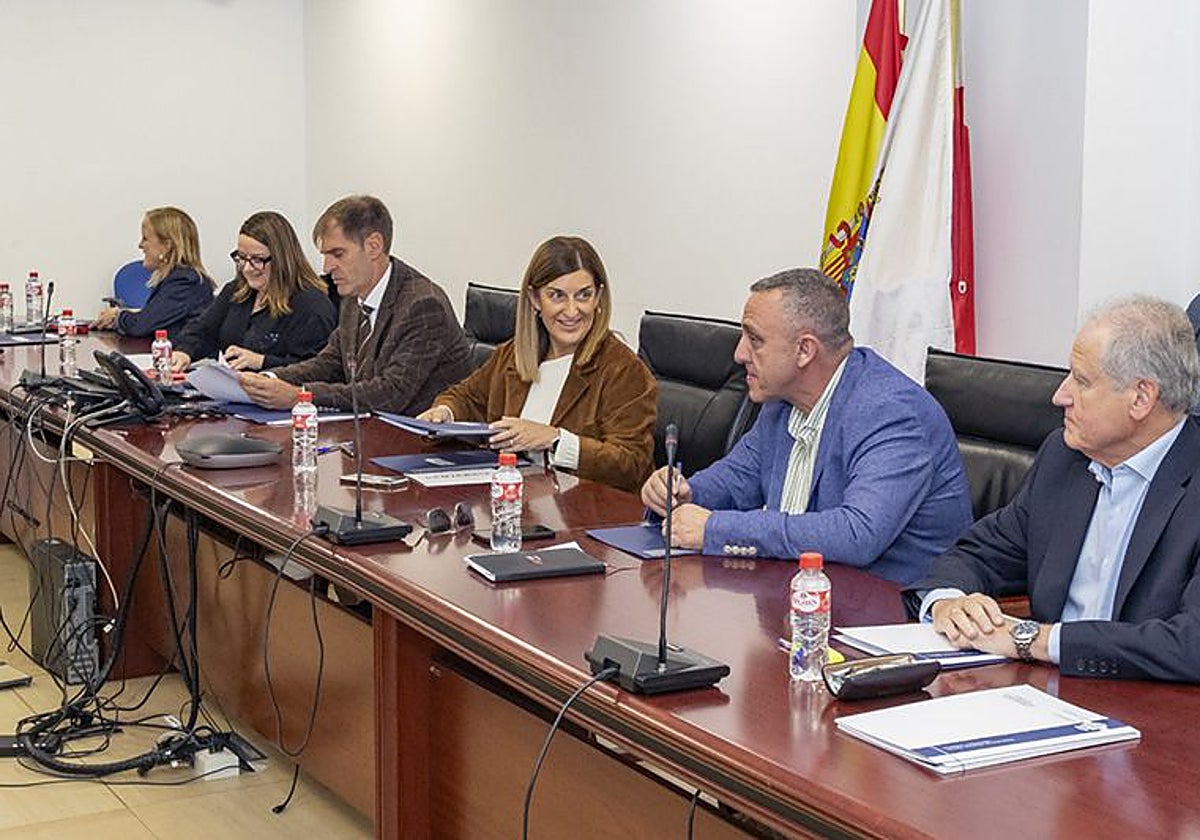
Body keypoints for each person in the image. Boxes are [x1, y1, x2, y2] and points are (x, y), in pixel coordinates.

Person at [908, 296, 1200, 683]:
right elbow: (979, 553)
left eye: (1081, 381)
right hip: (1046, 695)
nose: (1059, 396)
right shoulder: (1064, 459)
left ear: (1141, 398)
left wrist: (1033, 640)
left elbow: (1191, 644)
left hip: (1153, 713)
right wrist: (948, 602)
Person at [640, 268, 971, 585]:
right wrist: (679, 495)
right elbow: (735, 480)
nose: (739, 353)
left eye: (754, 339)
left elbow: (857, 533)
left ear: (804, 351)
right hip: (803, 599)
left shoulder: (891, 412)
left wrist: (715, 528)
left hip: (893, 618)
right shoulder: (781, 404)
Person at [418, 236, 657, 493]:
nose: (572, 310)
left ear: (599, 296)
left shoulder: (623, 369)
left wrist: (555, 440)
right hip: (512, 504)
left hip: (584, 514)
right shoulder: (514, 353)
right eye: (557, 296)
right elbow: (467, 397)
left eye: (584, 295)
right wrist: (445, 411)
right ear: (534, 298)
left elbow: (632, 464)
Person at [238, 195, 472, 412]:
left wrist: (299, 396)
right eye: (325, 255)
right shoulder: (353, 296)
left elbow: (391, 393)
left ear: (373, 246)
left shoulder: (423, 305)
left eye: (338, 254)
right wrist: (269, 380)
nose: (327, 268)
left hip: (422, 443)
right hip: (372, 434)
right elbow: (330, 363)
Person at [169, 211, 336, 372]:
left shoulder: (312, 305)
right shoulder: (236, 291)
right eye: (241, 258)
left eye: (257, 260)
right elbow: (202, 330)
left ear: (282, 259)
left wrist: (262, 362)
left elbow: (317, 368)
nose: (247, 269)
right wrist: (184, 352)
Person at [93, 207, 215, 337]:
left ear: (167, 246)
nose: (140, 245)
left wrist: (118, 316)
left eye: (145, 239)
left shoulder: (185, 282)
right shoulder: (177, 278)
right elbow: (152, 317)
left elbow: (141, 325)